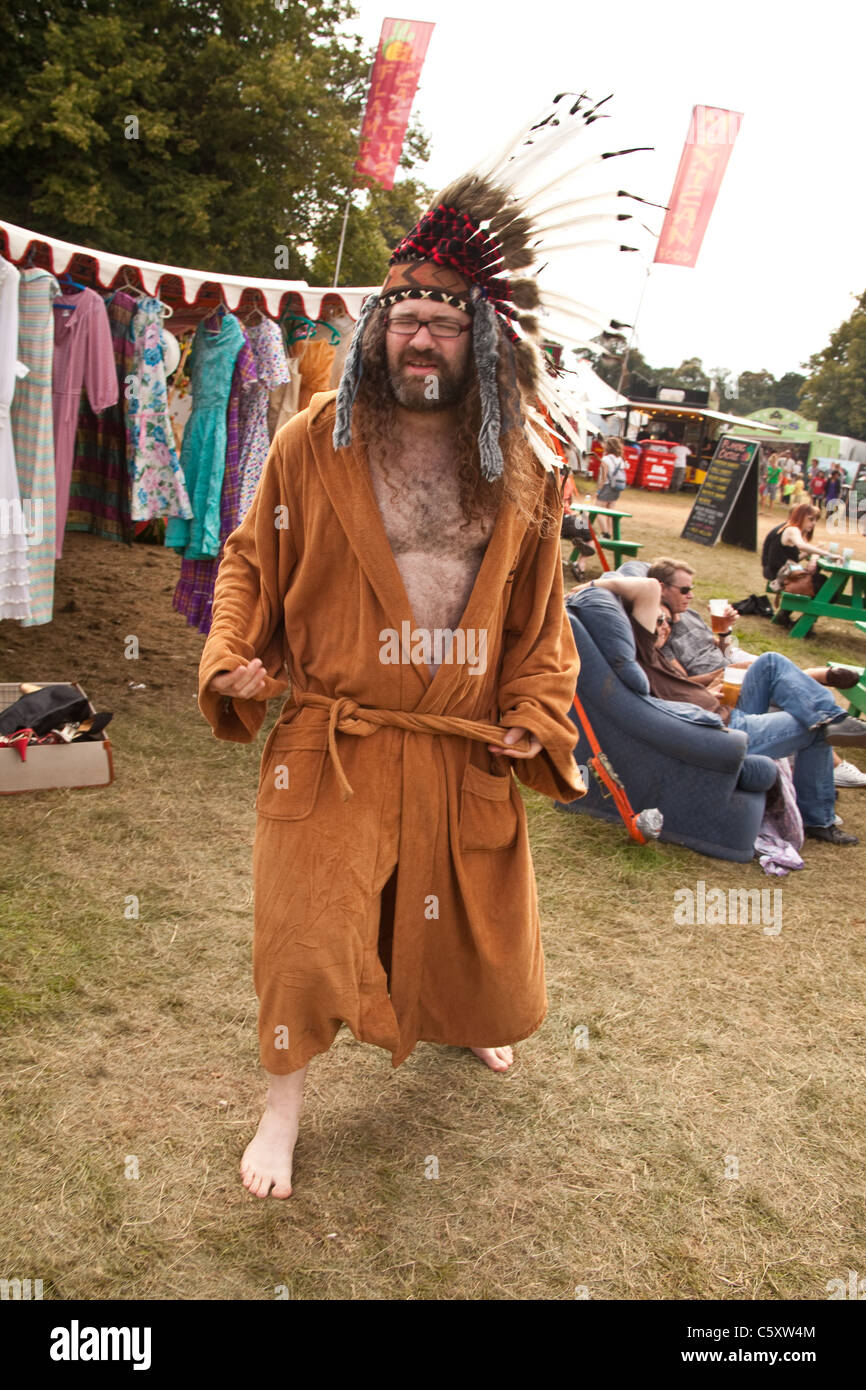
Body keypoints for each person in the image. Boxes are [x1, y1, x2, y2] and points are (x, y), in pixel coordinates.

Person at [196, 116, 608, 1199]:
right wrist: (231, 654)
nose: (419, 339)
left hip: (455, 743)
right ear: (377, 329)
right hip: (334, 734)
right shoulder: (311, 441)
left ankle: (464, 1020)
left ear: (482, 341)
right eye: (404, 319)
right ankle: (280, 1108)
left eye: (443, 322)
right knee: (302, 933)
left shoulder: (519, 464)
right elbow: (247, 559)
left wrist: (533, 705)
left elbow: (540, 618)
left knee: (459, 921)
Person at [585, 572, 866, 845]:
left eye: (668, 621)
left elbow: (679, 692)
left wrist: (705, 690)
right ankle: (819, 818)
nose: (665, 627)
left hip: (724, 712)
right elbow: (648, 586)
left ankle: (831, 716)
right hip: (726, 730)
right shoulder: (641, 652)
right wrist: (595, 583)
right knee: (816, 728)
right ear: (637, 630)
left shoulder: (654, 657)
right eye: (658, 621)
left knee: (769, 663)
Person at [645, 556, 866, 791]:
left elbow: (717, 646)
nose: (691, 595)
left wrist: (725, 630)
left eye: (692, 589)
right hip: (722, 684)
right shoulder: (659, 631)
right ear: (661, 588)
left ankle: (829, 715)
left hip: (728, 661)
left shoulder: (689, 615)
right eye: (685, 590)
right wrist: (723, 672)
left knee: (783, 677)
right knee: (785, 682)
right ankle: (821, 695)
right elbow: (682, 683)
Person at [762, 503, 829, 625]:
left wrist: (813, 555)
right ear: (800, 516)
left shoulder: (787, 528)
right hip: (778, 574)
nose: (813, 523)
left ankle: (786, 615)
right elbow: (802, 546)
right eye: (811, 519)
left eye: (815, 520)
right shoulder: (792, 529)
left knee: (820, 581)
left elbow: (793, 558)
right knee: (825, 586)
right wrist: (827, 554)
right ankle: (803, 624)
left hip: (779, 571)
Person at [594, 436, 627, 536]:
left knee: (597, 509)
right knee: (610, 510)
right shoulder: (621, 460)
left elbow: (603, 477)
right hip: (617, 487)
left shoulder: (606, 459)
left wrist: (598, 490)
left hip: (607, 486)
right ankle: (611, 532)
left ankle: (605, 532)